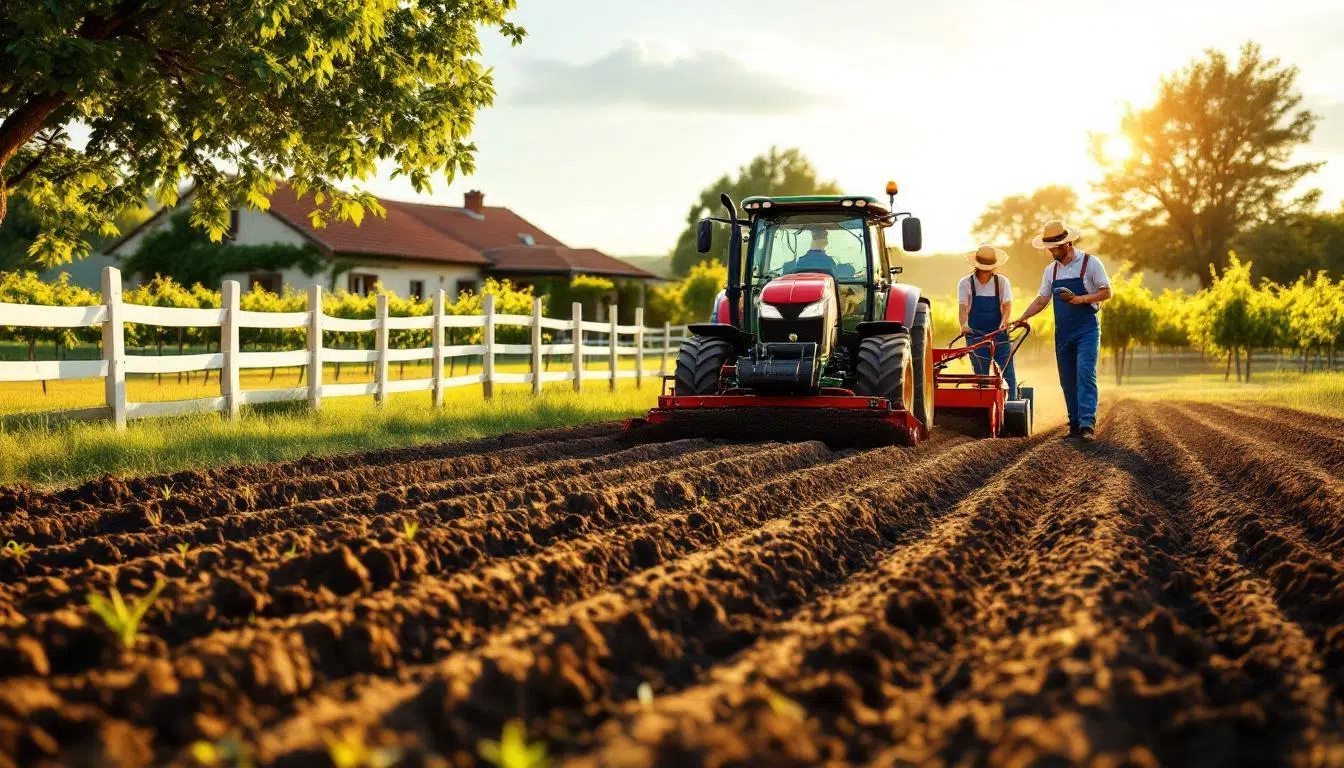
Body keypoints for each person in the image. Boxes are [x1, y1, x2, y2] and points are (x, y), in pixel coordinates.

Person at [1013, 220, 1112, 442]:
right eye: (1049, 247)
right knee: (1067, 378)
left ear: (1067, 244)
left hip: (1087, 328)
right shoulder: (1051, 271)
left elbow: (1107, 292)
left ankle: (1087, 424)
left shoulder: (1090, 263)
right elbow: (1042, 300)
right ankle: (1075, 422)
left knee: (1085, 372)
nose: (1050, 252)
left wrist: (1081, 299)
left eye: (1054, 247)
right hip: (1063, 332)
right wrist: (1023, 317)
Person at [958, 244, 1017, 399]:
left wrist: (1004, 323)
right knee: (981, 376)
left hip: (999, 334)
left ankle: (1011, 405)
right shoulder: (966, 283)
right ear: (976, 265)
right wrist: (964, 325)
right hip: (976, 335)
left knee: (1007, 372)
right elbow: (963, 308)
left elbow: (1007, 307)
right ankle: (985, 407)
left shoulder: (1002, 282)